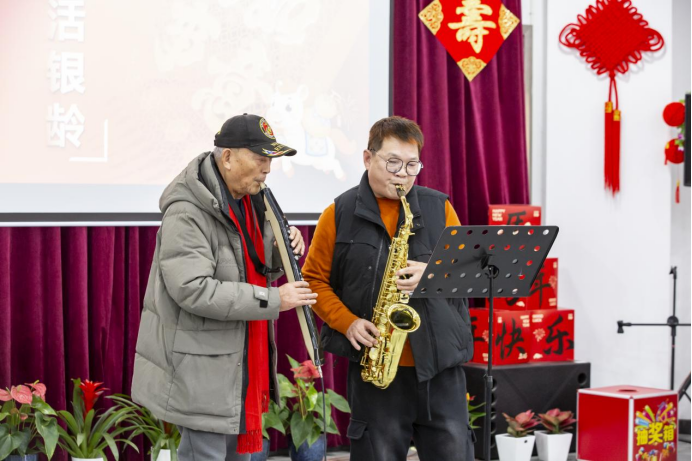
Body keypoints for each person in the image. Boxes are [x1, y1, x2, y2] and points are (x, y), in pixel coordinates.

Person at [131, 113, 317, 461]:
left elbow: (252, 268)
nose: (268, 169)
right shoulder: (188, 210)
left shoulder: (250, 199)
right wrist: (273, 300)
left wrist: (281, 248)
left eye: (270, 160)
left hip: (235, 362)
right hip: (201, 367)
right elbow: (194, 289)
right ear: (228, 157)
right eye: (260, 158)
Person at [302, 116, 475, 461]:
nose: (403, 175)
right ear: (368, 158)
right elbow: (313, 281)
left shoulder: (439, 207)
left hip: (440, 368)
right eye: (393, 163)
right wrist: (348, 322)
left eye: (412, 165)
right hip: (376, 368)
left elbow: (467, 271)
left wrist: (433, 273)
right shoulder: (338, 213)